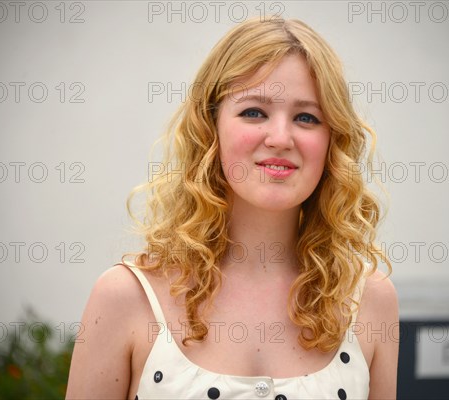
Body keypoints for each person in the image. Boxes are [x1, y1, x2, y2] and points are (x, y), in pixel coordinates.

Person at [66, 17, 398, 400]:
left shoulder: (371, 301)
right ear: (211, 128)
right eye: (254, 112)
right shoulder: (126, 297)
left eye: (306, 117)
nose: (280, 137)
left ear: (331, 141)